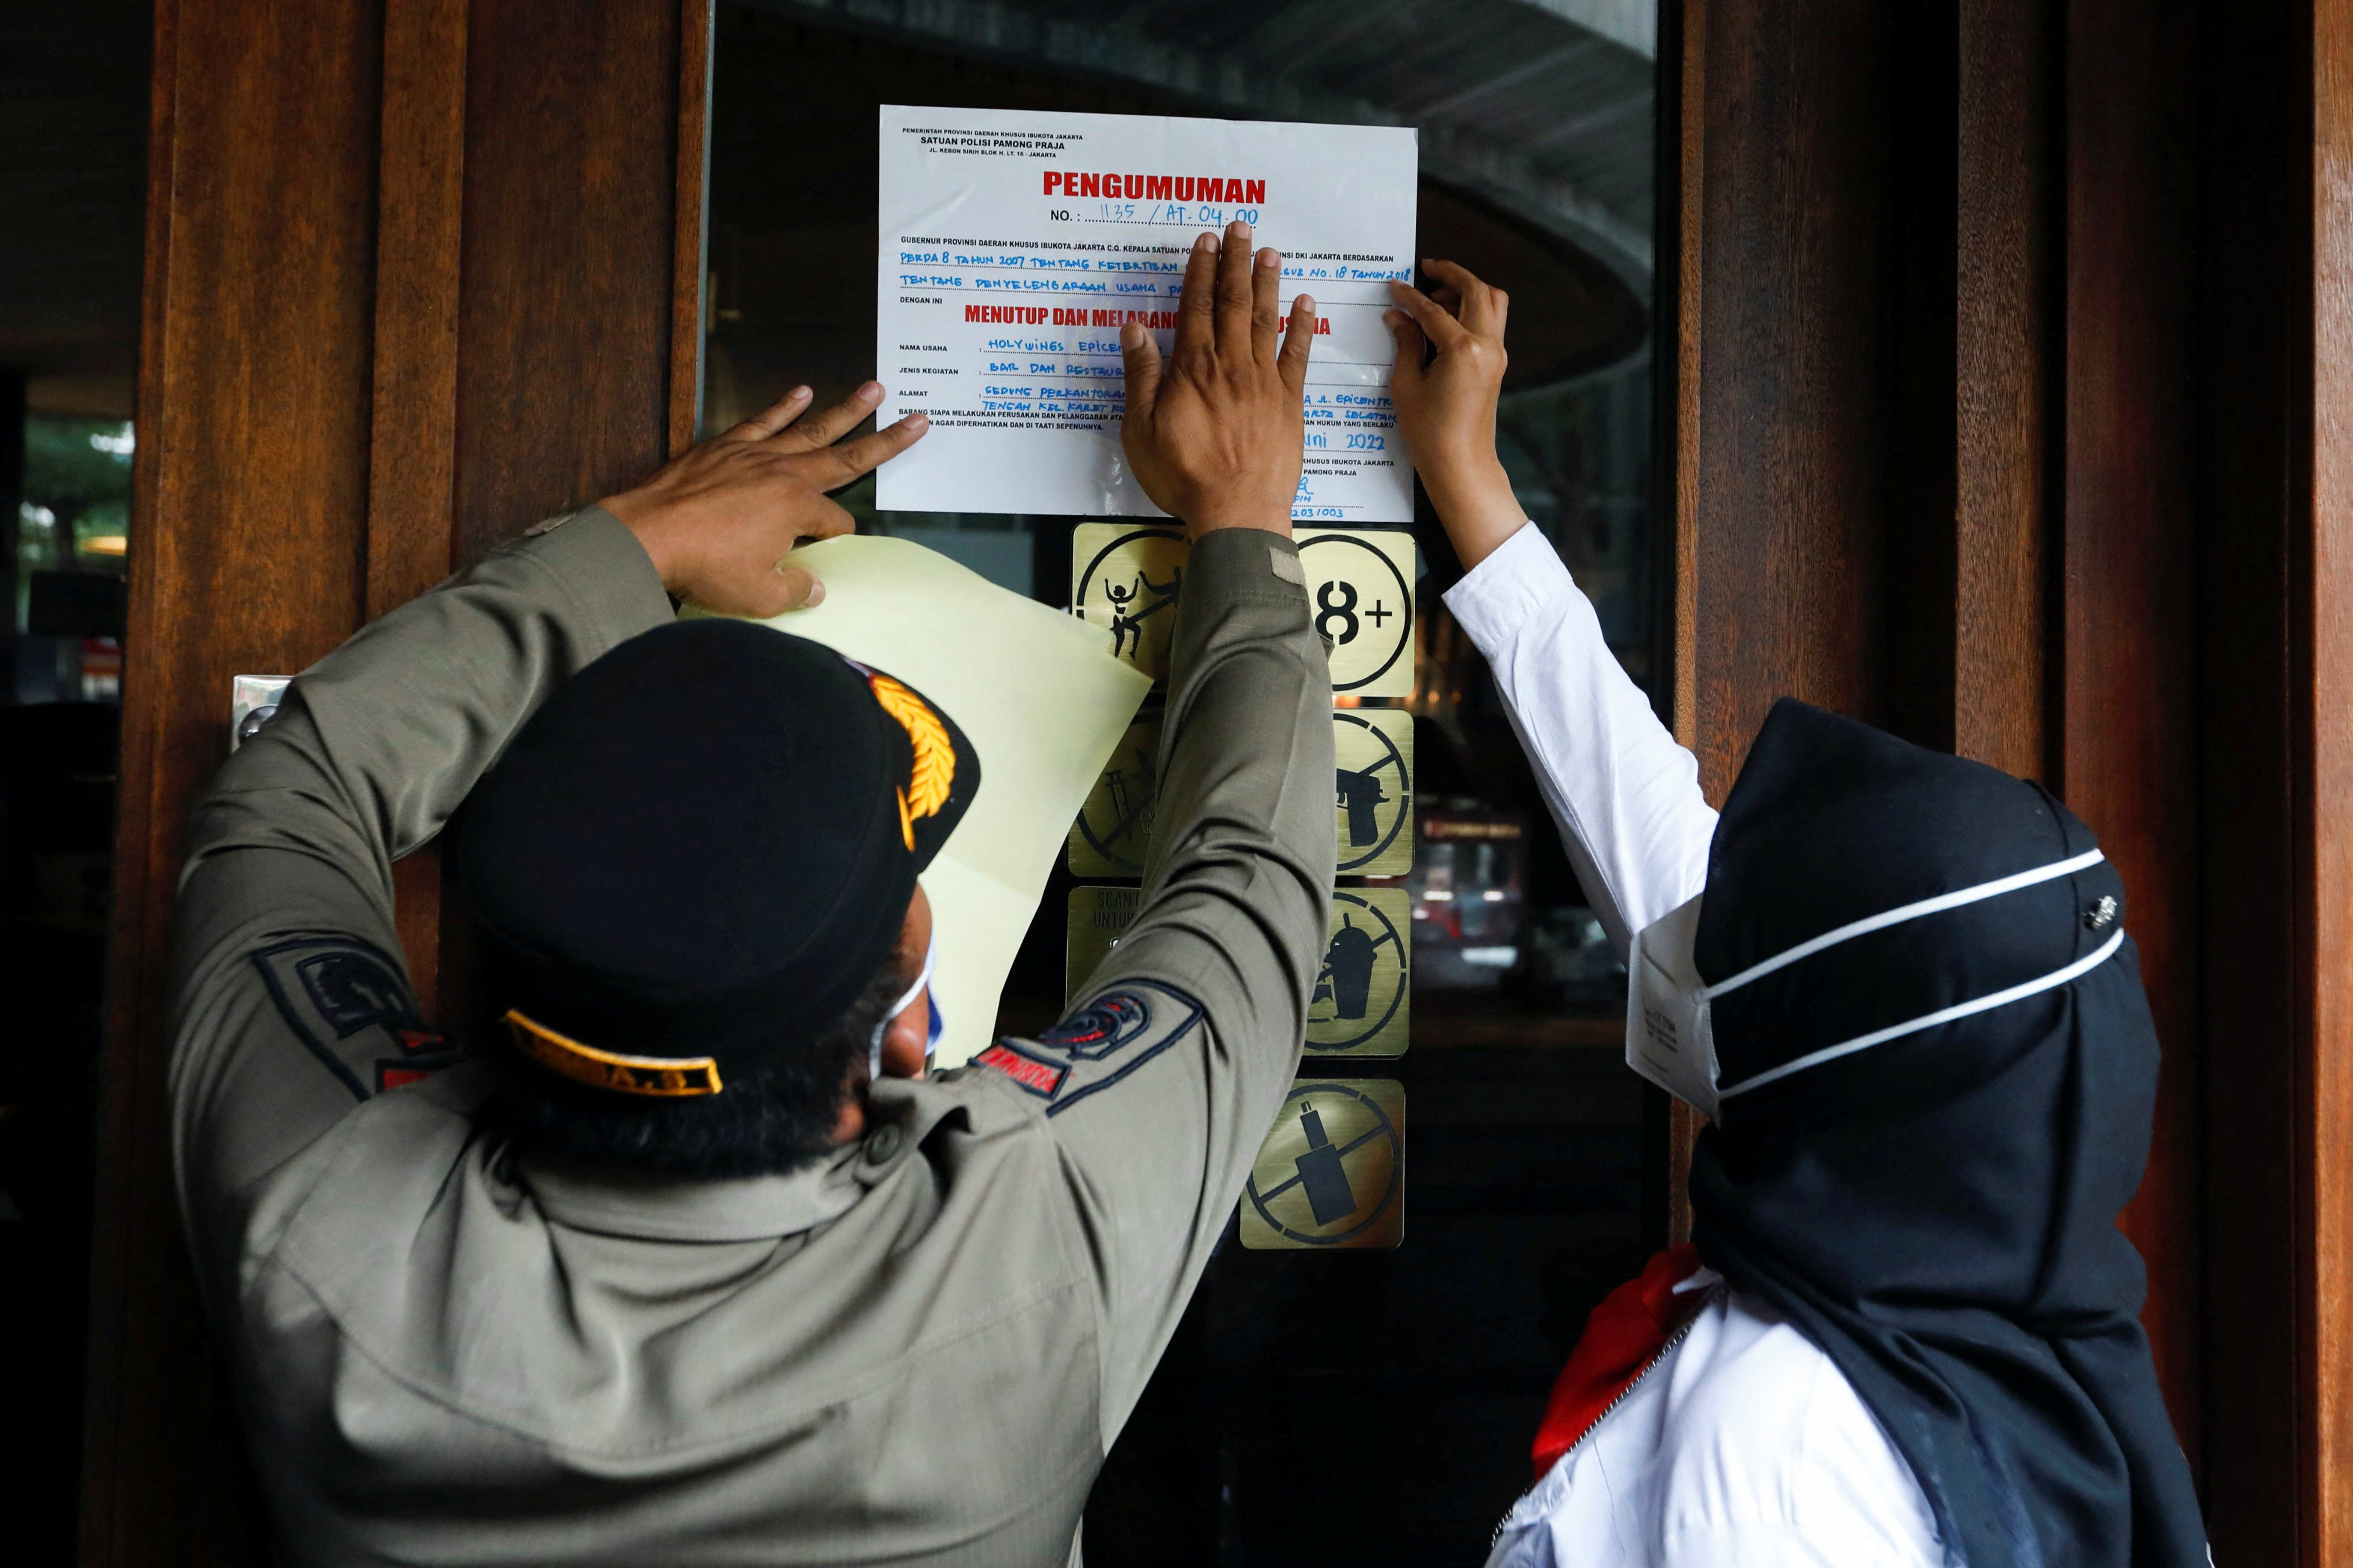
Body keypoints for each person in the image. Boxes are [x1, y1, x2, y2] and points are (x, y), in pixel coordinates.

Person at [167, 220, 1336, 1565]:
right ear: (907, 1009)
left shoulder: (321, 1213)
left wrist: (631, 542)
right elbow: (1251, 881)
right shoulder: (1033, 1249)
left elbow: (286, 790)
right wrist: (1242, 515)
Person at [1384, 263, 2209, 1567]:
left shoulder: (1777, 1431)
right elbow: (1657, 854)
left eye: (1777, 946)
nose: (1728, 938)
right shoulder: (2029, 1324)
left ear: (1841, 1055)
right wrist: (1470, 486)